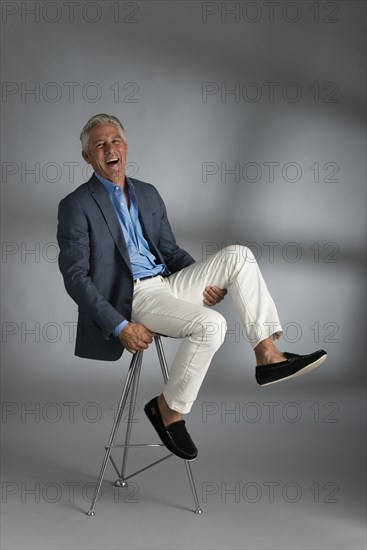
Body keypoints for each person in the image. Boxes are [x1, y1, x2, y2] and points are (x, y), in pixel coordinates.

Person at [57, 113, 327, 461]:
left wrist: (202, 279)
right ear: (87, 157)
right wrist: (120, 326)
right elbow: (75, 277)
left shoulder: (149, 194)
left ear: (125, 148)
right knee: (212, 325)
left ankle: (267, 355)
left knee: (239, 256)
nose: (110, 148)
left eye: (116, 141)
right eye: (100, 145)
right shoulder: (77, 205)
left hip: (167, 283)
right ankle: (167, 409)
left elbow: (169, 251)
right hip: (133, 297)